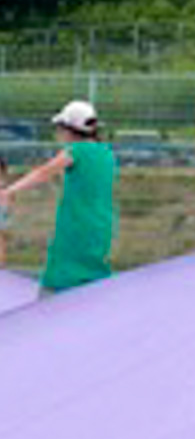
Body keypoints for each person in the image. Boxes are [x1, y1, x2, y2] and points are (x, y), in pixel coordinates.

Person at [0, 101, 117, 295]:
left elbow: (43, 173)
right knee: (92, 276)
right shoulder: (106, 153)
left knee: (59, 277)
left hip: (76, 223)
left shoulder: (75, 152)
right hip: (102, 224)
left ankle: (48, 317)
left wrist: (9, 191)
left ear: (68, 129)